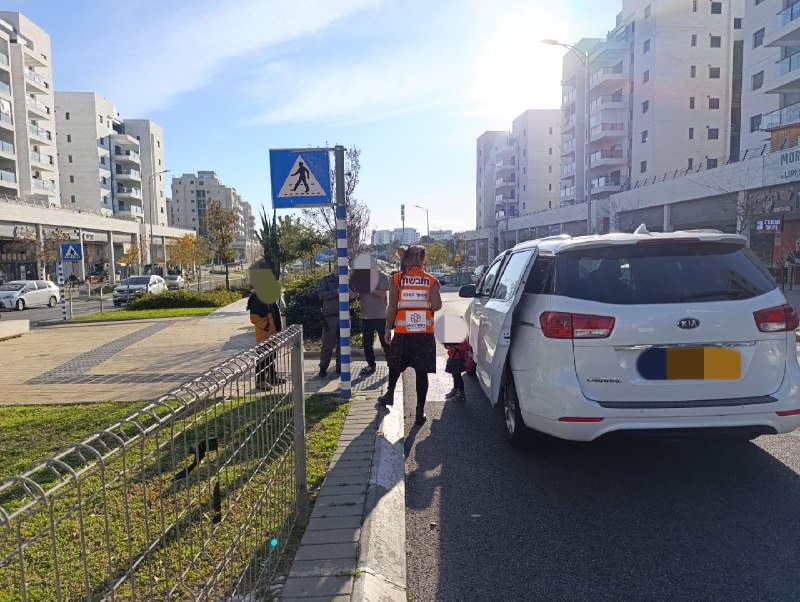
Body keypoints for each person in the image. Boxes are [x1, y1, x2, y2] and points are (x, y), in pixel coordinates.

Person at [378, 245, 442, 425]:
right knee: (421, 373)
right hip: (424, 334)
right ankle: (419, 411)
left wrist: (387, 329)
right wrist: (435, 290)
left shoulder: (397, 279)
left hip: (403, 332)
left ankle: (389, 394)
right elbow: (436, 307)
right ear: (423, 259)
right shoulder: (431, 280)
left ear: (405, 259)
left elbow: (392, 308)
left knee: (395, 364)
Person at [247, 290, 283, 390]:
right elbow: (254, 317)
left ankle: (272, 377)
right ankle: (260, 381)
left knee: (272, 356)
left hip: (273, 333)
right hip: (264, 334)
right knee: (263, 358)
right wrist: (266, 326)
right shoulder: (258, 297)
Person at [359, 266, 390, 376]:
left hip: (380, 316)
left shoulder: (382, 276)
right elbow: (358, 294)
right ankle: (371, 365)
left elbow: (382, 293)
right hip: (366, 316)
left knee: (385, 342)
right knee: (367, 343)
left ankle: (391, 365)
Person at [318, 269, 341, 378]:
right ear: (335, 268)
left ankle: (340, 367)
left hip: (344, 317)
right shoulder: (326, 280)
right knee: (328, 344)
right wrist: (335, 292)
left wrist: (353, 296)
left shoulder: (346, 280)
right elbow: (321, 295)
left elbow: (352, 296)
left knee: (343, 345)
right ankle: (323, 367)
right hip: (330, 317)